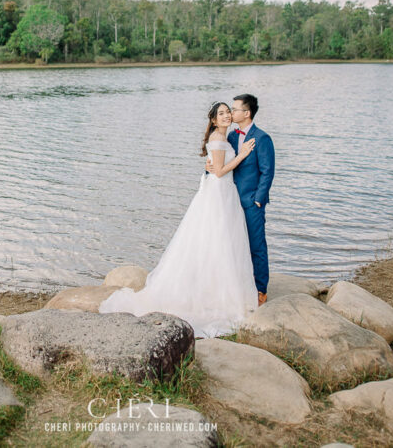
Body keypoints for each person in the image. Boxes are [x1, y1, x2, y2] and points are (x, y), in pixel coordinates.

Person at [98, 102, 259, 338]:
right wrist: (243, 154)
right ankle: (213, 294)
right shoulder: (217, 138)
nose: (226, 116)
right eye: (221, 114)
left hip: (224, 193)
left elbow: (214, 165)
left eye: (228, 112)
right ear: (214, 120)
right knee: (217, 239)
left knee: (222, 243)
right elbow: (219, 171)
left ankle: (216, 288)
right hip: (218, 192)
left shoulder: (226, 138)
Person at [206, 93, 275, 305]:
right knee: (233, 244)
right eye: (229, 110)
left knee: (256, 246)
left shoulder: (262, 138)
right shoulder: (231, 136)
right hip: (228, 200)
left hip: (250, 201)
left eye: (234, 109)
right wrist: (208, 167)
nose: (231, 113)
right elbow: (220, 161)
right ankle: (238, 284)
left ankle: (260, 290)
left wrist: (258, 199)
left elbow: (267, 171)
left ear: (246, 113)